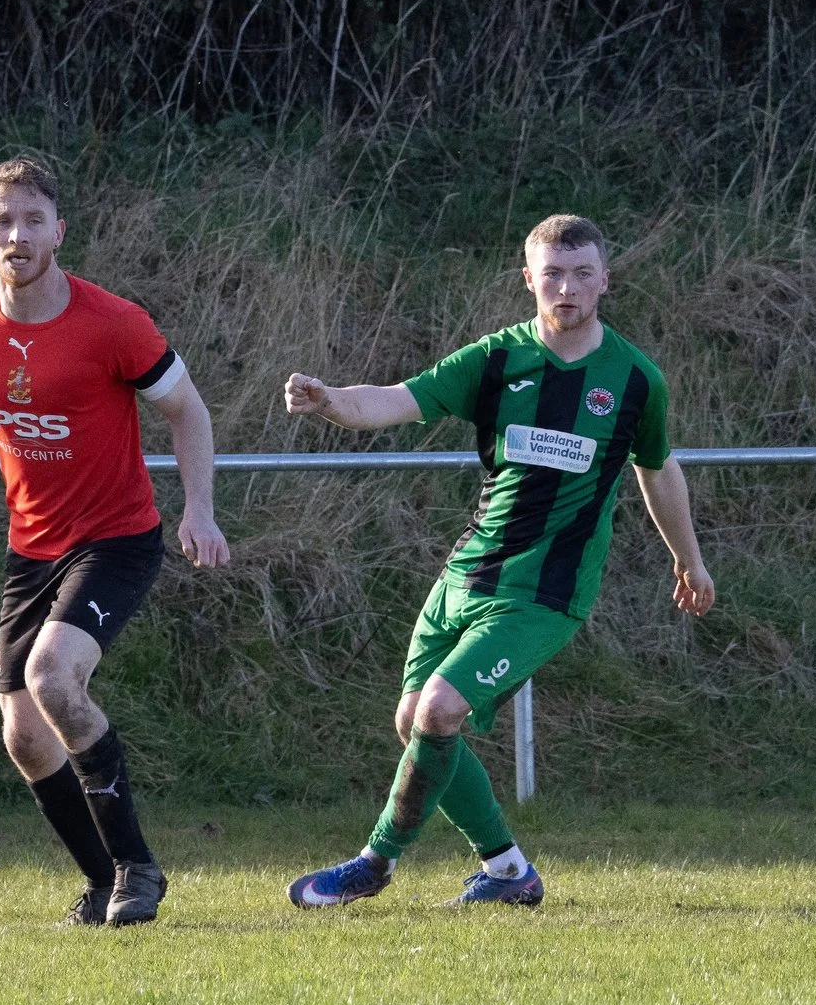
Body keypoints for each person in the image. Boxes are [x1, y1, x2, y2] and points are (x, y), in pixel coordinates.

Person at [279, 213, 715, 908]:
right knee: (414, 721)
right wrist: (331, 401)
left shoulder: (635, 381)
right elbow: (396, 399)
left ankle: (373, 865)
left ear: (605, 279)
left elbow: (657, 470)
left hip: (545, 595)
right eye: (552, 274)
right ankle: (509, 871)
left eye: (580, 274)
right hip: (465, 576)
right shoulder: (496, 359)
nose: (566, 287)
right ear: (528, 280)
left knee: (440, 711)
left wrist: (689, 561)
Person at [0, 157, 228, 924]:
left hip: (117, 540)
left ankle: (138, 868)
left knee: (54, 678)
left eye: (33, 220)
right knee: (27, 740)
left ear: (59, 232)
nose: (18, 235)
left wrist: (199, 510)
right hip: (31, 547)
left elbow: (188, 409)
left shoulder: (114, 324)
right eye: (3, 222)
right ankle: (103, 881)